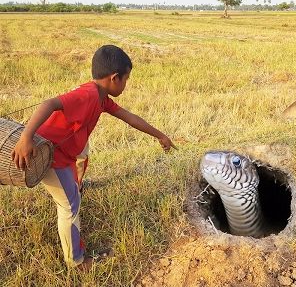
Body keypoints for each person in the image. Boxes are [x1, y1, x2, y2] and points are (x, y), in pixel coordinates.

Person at [11, 44, 176, 271]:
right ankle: (76, 261)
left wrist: (160, 135)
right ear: (115, 78)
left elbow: (129, 117)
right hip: (49, 155)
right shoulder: (87, 95)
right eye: (126, 79)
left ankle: (75, 185)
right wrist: (26, 137)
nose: (127, 84)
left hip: (67, 151)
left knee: (83, 152)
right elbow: (49, 104)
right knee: (69, 207)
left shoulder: (101, 96)